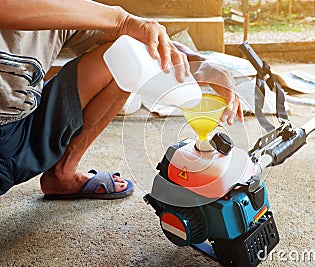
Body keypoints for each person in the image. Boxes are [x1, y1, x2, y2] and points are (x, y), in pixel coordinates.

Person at [0, 1, 243, 198]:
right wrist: (121, 18)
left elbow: (138, 39)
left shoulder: (63, 7)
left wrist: (205, 66)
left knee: (127, 52)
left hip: (25, 131)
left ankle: (63, 173)